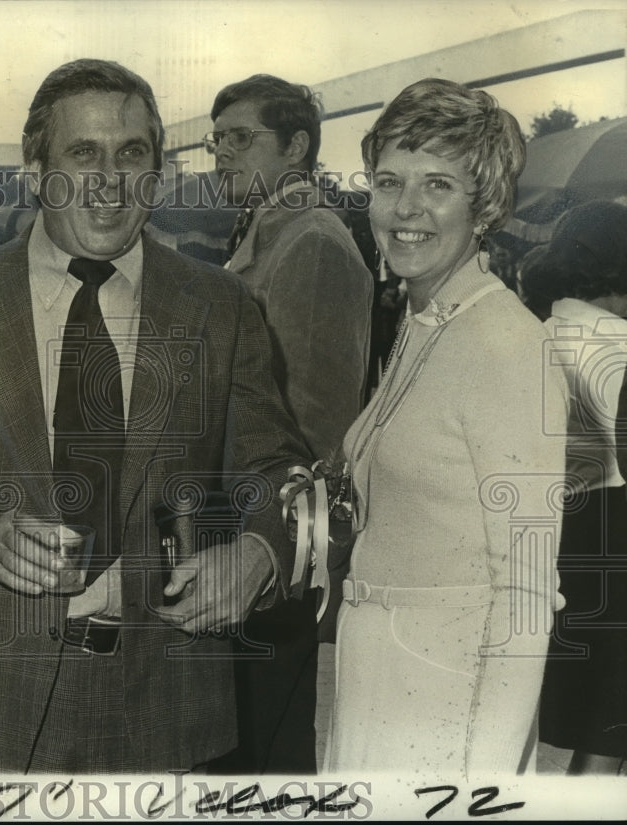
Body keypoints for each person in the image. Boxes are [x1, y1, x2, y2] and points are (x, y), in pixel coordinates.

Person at [0, 58, 310, 773]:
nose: (111, 183)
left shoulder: (222, 305)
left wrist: (260, 551)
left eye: (132, 154)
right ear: (35, 169)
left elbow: (275, 467)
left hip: (170, 713)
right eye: (83, 154)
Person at [324, 78, 567, 775]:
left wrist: (481, 784)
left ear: (483, 205)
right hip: (382, 677)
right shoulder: (425, 320)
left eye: (437, 185)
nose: (405, 208)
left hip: (446, 704)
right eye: (389, 181)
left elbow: (525, 589)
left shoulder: (505, 344)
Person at [204, 74, 373, 774]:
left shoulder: (313, 244)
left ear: (297, 145)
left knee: (264, 756)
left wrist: (267, 550)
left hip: (271, 545)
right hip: (241, 534)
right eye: (217, 141)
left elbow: (312, 424)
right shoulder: (269, 231)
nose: (221, 155)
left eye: (241, 139)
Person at [528, 200, 627, 775]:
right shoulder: (619, 346)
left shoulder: (531, 336)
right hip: (615, 534)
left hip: (546, 537)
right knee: (611, 725)